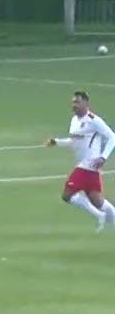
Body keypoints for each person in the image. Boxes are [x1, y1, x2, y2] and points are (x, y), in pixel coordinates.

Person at [46, 90, 115, 231]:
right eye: (73, 102)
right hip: (87, 167)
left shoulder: (93, 120)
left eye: (77, 102)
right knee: (98, 202)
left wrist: (103, 157)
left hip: (88, 165)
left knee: (67, 194)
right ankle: (104, 216)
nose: (74, 105)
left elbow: (112, 137)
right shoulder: (74, 121)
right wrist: (57, 142)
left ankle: (99, 216)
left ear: (86, 103)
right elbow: (73, 141)